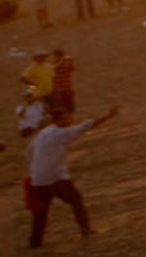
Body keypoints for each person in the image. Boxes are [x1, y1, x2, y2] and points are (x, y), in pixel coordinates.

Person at [26, 103, 118, 249]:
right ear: (55, 120)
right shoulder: (60, 132)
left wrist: (34, 171)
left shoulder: (41, 135)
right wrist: (108, 116)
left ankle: (35, 243)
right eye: (63, 119)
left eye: (68, 118)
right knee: (76, 200)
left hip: (38, 180)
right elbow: (85, 127)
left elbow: (29, 153)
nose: (67, 121)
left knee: (41, 213)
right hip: (54, 178)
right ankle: (86, 230)